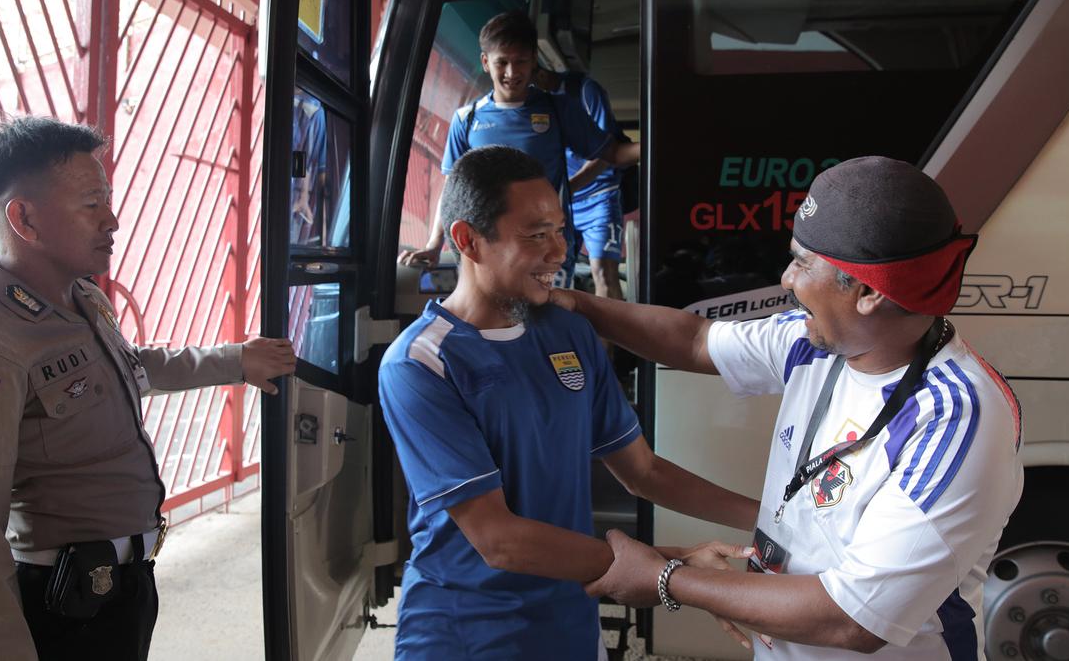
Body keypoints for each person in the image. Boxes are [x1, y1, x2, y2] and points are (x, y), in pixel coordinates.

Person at [554, 157, 1023, 659]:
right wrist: (577, 305)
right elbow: (693, 340)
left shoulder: (955, 418)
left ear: (867, 292)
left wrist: (665, 579)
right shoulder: (816, 343)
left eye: (802, 262)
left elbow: (852, 620)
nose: (786, 278)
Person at [0, 116, 297, 661]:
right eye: (91, 204)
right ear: (23, 218)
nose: (112, 220)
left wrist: (236, 361)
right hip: (62, 613)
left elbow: (128, 366)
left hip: (121, 591)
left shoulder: (83, 299)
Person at [378, 145, 758, 660]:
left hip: (571, 621)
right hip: (468, 635)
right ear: (468, 240)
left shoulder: (568, 333)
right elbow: (499, 540)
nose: (558, 252)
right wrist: (673, 571)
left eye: (560, 230)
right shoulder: (421, 364)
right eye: (536, 235)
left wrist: (768, 519)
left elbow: (643, 471)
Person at [396, 10, 640, 288]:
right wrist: (433, 243)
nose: (512, 73)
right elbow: (452, 187)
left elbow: (614, 153)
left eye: (521, 62)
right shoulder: (466, 119)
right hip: (489, 252)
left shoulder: (557, 109)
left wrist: (663, 144)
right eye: (502, 63)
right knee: (496, 329)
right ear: (486, 62)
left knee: (545, 325)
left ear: (533, 61)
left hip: (547, 249)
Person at [533, 66, 629, 300]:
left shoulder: (585, 91)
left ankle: (609, 338)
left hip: (599, 195)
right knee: (555, 272)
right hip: (565, 202)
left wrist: (569, 188)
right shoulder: (535, 105)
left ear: (541, 74)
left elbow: (607, 152)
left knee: (603, 274)